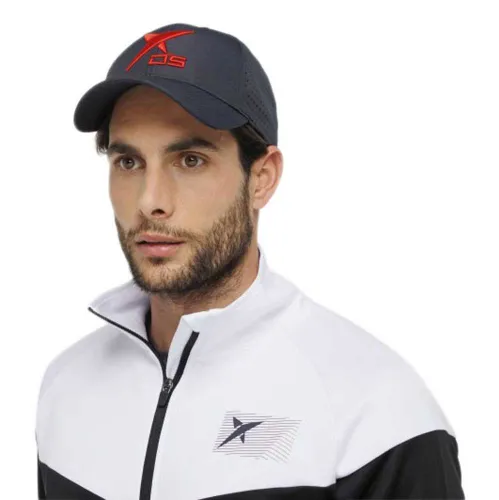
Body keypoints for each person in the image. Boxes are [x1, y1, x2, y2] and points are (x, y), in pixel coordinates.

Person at [35, 23, 465, 500]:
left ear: (262, 178)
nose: (150, 201)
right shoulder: (67, 384)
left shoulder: (377, 412)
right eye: (129, 162)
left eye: (190, 160)